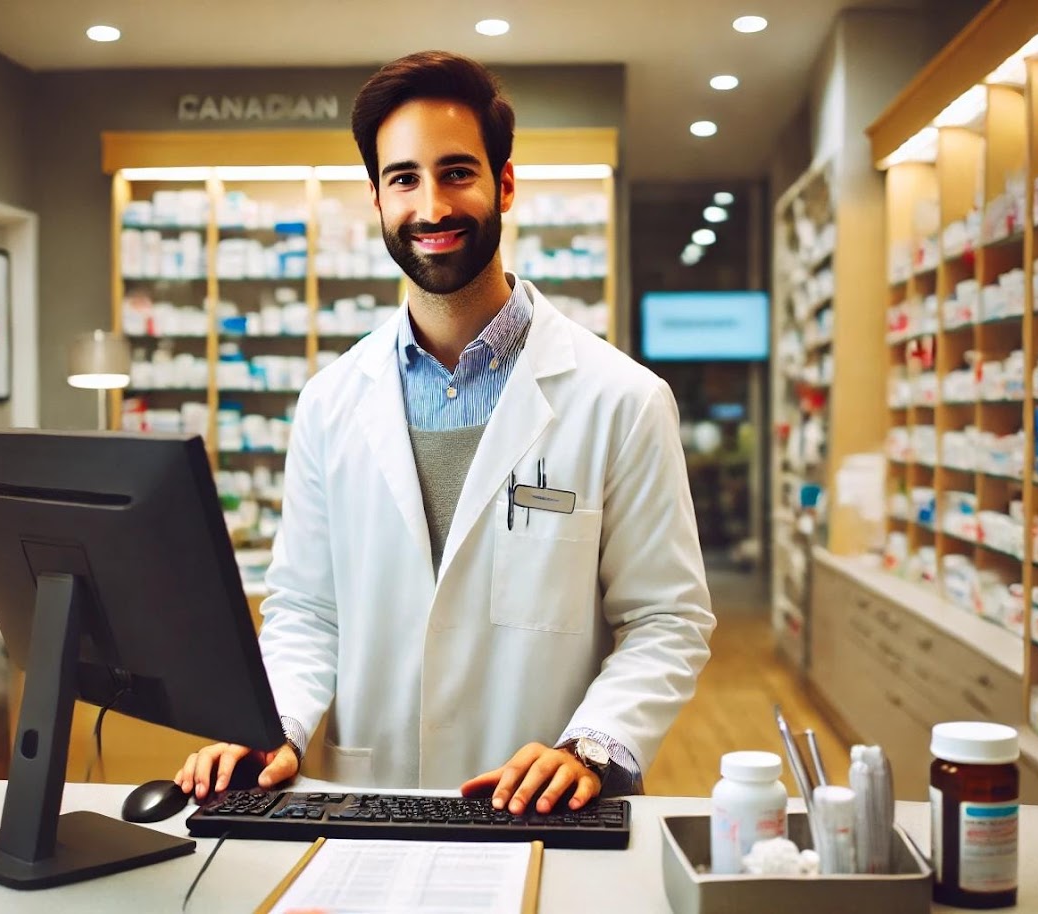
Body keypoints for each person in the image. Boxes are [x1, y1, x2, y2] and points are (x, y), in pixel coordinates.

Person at [176, 50, 714, 817]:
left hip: (541, 806)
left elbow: (667, 618)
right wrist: (275, 726)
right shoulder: (330, 402)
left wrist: (591, 744)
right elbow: (304, 611)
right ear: (377, 199)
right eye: (404, 179)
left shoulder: (621, 399)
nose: (431, 206)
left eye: (457, 172)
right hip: (366, 799)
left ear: (505, 183)